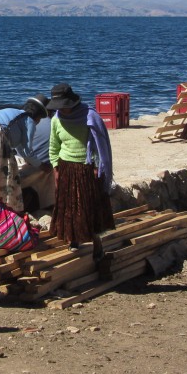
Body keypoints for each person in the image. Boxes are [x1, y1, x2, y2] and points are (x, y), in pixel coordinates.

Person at [47, 83, 114, 253]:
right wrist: (56, 167)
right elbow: (54, 147)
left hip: (87, 167)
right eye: (59, 107)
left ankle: (96, 239)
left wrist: (97, 166)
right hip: (66, 167)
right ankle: (73, 239)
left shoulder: (90, 117)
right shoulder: (56, 119)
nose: (62, 110)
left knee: (89, 205)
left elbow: (101, 146)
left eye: (64, 106)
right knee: (69, 207)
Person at [18, 100, 55, 211]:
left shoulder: (22, 123)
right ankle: (47, 205)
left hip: (25, 164)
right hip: (38, 168)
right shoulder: (47, 124)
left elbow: (20, 149)